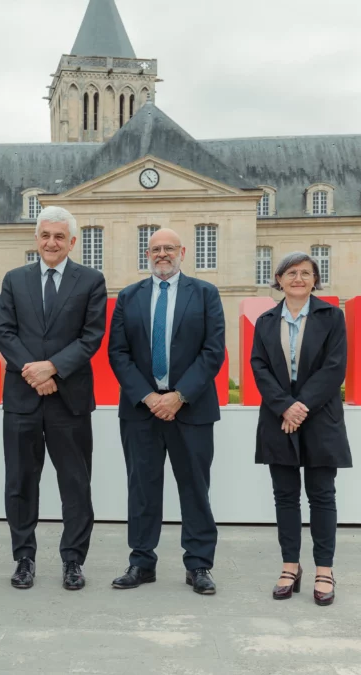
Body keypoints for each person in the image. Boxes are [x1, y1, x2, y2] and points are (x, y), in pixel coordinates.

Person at [106, 227, 225, 595]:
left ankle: (199, 565)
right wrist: (147, 396)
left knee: (194, 488)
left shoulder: (205, 294)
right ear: (147, 254)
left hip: (191, 409)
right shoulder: (129, 296)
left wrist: (179, 396)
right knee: (142, 489)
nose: (162, 254)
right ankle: (141, 562)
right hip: (141, 410)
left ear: (182, 252)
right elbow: (118, 352)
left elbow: (213, 351)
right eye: (155, 249)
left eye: (168, 248)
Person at [0, 205, 107, 591]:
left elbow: (91, 336)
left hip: (69, 399)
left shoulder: (91, 280)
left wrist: (53, 368)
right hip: (23, 398)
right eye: (45, 235)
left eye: (60, 236)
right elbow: (4, 332)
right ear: (36, 239)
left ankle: (73, 561)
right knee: (21, 483)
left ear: (72, 241)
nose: (52, 242)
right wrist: (35, 371)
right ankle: (24, 558)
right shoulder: (14, 279)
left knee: (75, 484)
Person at [250, 251, 351, 606]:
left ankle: (324, 568)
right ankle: (290, 565)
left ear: (314, 280)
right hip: (279, 418)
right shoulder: (265, 321)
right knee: (285, 496)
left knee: (322, 496)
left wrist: (302, 405)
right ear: (279, 279)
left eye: (305, 273)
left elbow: (334, 368)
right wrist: (284, 406)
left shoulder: (332, 317)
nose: (297, 278)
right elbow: (259, 367)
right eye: (291, 272)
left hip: (320, 416)